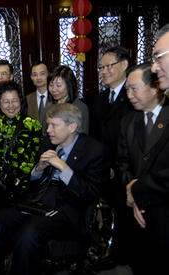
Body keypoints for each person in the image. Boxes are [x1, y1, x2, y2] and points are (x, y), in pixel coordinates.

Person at [0, 103, 110, 275]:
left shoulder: (94, 150)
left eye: (54, 125)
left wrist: (64, 169)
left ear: (72, 127)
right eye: (48, 124)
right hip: (37, 202)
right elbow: (31, 184)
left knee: (27, 235)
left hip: (67, 210)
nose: (48, 130)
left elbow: (91, 193)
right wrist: (38, 169)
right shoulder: (48, 143)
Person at [116, 62, 169, 274]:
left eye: (133, 88)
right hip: (136, 210)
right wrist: (132, 192)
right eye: (127, 89)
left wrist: (141, 192)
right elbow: (121, 163)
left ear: (154, 86)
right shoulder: (128, 121)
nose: (128, 95)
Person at [90, 46, 133, 264]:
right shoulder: (101, 98)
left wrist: (117, 167)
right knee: (107, 212)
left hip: (126, 169)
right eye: (101, 67)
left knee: (124, 214)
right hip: (104, 168)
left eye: (109, 66)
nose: (103, 71)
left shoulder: (133, 96)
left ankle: (119, 254)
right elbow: (96, 136)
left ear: (124, 65)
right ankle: (108, 248)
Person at [0, 80, 42, 207]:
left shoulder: (32, 125)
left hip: (25, 189)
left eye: (15, 101)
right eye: (6, 101)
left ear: (21, 101)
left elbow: (37, 158)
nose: (11, 106)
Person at [46, 65, 89, 134]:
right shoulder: (49, 107)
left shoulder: (80, 107)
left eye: (58, 85)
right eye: (51, 85)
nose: (54, 89)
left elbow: (83, 136)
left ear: (69, 85)